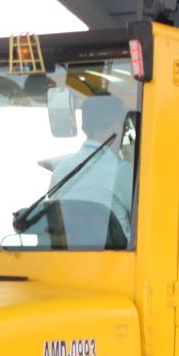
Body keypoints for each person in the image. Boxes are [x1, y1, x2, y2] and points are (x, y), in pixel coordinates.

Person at [49, 95, 135, 247]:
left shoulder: (60, 172)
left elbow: (54, 223)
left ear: (83, 128)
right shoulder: (121, 172)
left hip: (67, 262)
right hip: (118, 263)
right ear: (117, 126)